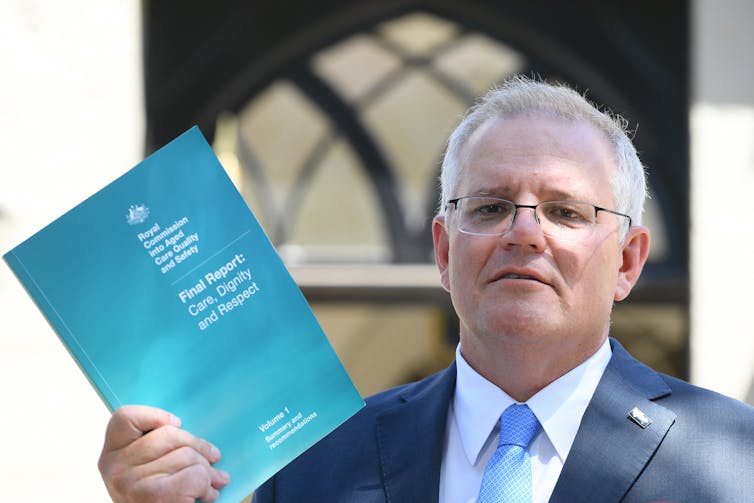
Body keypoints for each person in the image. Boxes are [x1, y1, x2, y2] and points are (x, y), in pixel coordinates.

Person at [99, 76, 754, 503]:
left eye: (565, 212)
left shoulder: (733, 462)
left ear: (628, 261)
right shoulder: (314, 463)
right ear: (443, 249)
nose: (525, 233)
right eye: (492, 206)